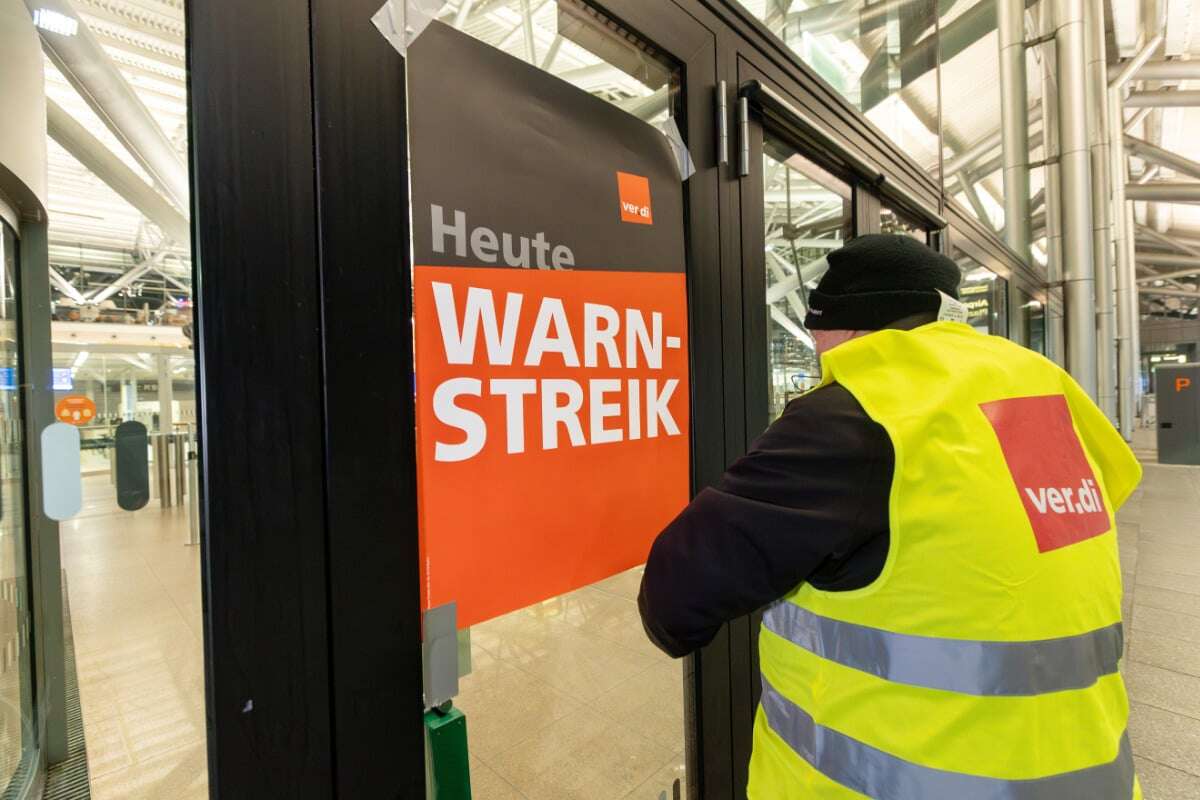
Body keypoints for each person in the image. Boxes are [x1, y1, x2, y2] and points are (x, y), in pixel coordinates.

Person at [639, 234, 1142, 799]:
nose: (815, 348)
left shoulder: (860, 414)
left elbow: (675, 595)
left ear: (846, 326)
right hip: (1088, 774)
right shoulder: (1046, 387)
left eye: (815, 330)